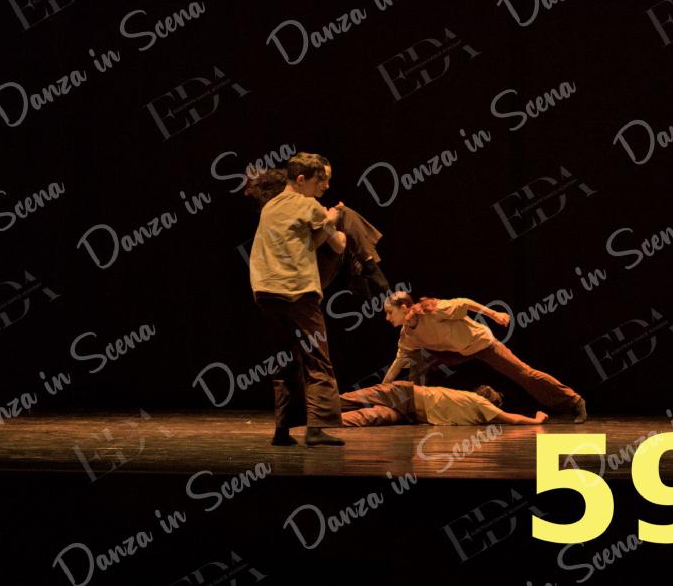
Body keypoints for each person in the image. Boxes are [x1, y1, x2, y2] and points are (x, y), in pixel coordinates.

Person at [249, 152, 346, 446]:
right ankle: (317, 427)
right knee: (317, 358)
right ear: (302, 179)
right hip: (297, 292)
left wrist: (323, 227)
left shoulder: (270, 206)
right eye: (320, 180)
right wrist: (333, 219)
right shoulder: (307, 205)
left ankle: (282, 429)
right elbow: (338, 246)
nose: (324, 186)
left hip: (266, 292)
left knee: (284, 360)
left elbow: (308, 242)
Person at [381, 292, 588, 424]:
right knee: (415, 361)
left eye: (390, 312)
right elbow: (397, 364)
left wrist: (494, 314)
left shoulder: (433, 311)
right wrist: (381, 389)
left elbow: (465, 302)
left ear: (404, 308)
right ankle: (414, 410)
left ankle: (574, 401)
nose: (387, 318)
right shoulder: (408, 336)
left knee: (523, 373)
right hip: (454, 354)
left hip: (481, 343)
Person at [245, 162, 390, 296]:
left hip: (277, 283)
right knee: (343, 214)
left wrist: (327, 222)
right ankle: (366, 267)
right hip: (305, 277)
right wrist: (330, 221)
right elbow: (339, 245)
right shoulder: (302, 207)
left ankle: (362, 268)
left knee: (344, 221)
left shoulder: (271, 213)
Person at [340, 381, 549, 426]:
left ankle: (325, 420)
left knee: (366, 416)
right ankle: (322, 410)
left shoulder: (476, 409)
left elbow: (508, 418)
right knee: (352, 401)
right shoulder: (478, 405)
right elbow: (511, 418)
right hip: (406, 396)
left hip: (409, 413)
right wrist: (536, 420)